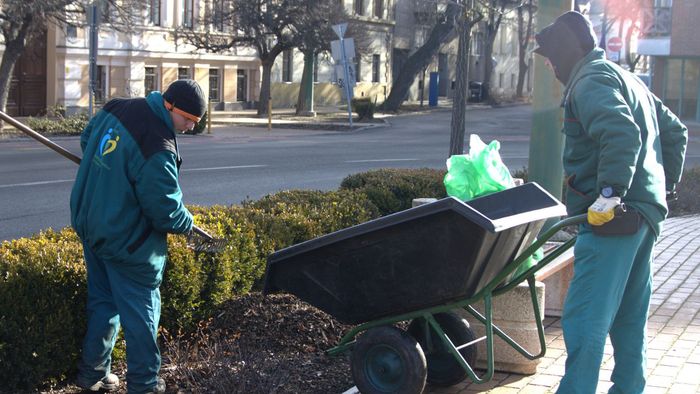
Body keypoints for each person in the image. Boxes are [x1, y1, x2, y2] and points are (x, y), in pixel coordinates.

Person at [533, 11, 688, 394]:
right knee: (629, 318)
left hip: (614, 219)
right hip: (643, 216)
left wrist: (610, 194)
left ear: (565, 53)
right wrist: (659, 190)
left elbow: (621, 132)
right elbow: (675, 133)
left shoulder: (589, 81)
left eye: (551, 57)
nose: (550, 65)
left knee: (586, 314)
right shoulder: (626, 78)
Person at [70, 79, 206, 393]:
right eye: (187, 120)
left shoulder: (118, 106)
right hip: (127, 243)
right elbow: (165, 209)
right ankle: (144, 385)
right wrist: (188, 222)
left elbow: (89, 138)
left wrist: (111, 171)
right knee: (142, 318)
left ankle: (93, 374)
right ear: (170, 106)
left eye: (196, 123)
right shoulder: (157, 145)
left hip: (92, 224)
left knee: (103, 303)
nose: (189, 128)